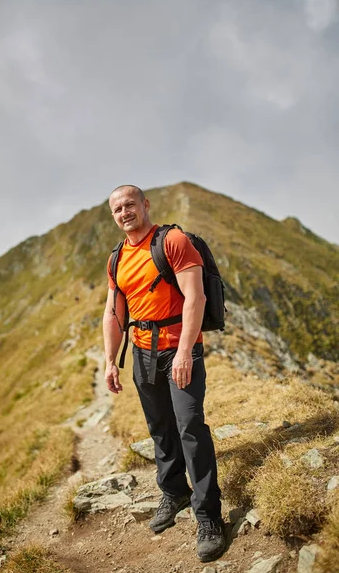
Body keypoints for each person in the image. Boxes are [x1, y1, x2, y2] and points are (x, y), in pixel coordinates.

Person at [103, 185, 226, 563]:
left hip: (179, 347)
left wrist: (186, 351)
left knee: (190, 427)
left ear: (145, 205)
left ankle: (209, 518)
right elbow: (114, 312)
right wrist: (110, 360)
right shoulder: (116, 259)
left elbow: (196, 297)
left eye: (130, 205)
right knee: (160, 428)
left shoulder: (171, 240)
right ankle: (174, 492)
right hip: (141, 352)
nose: (125, 212)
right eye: (117, 209)